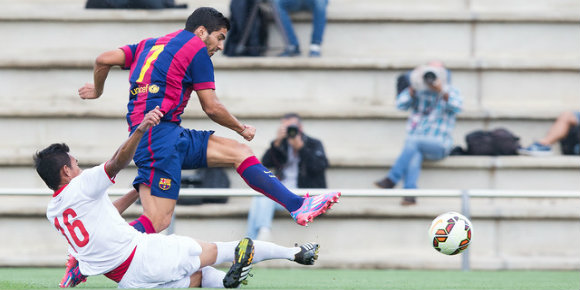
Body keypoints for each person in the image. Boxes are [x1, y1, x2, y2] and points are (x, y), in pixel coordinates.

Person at [77, 7, 340, 233]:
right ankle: (93, 250)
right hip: (158, 138)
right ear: (202, 31)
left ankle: (297, 205)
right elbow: (211, 108)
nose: (221, 46)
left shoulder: (150, 44)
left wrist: (97, 91)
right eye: (220, 37)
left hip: (165, 134)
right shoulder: (196, 49)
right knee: (158, 221)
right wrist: (241, 128)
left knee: (239, 153)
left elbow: (103, 60)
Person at [35, 108, 321, 288]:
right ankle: (294, 253)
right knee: (223, 250)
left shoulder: (55, 211)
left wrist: (137, 189)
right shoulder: (82, 184)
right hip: (146, 255)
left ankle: (231, 282)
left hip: (128, 281)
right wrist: (141, 130)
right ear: (65, 171)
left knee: (200, 278)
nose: (80, 167)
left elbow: (105, 213)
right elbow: (116, 161)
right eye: (75, 163)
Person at [374, 61, 463, 205]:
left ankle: (392, 178)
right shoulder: (418, 89)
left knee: (412, 141)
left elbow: (457, 106)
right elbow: (400, 105)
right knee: (414, 151)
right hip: (417, 144)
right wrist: (413, 84)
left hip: (440, 144)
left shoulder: (451, 91)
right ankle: (410, 194)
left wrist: (442, 91)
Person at [246, 113, 328, 240]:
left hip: (305, 194)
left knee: (263, 195)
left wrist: (301, 148)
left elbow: (319, 167)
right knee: (260, 194)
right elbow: (265, 163)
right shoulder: (281, 144)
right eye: (285, 127)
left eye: (292, 126)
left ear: (300, 127)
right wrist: (277, 143)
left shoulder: (313, 143)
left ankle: (253, 238)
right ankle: (262, 232)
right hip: (285, 191)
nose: (290, 130)